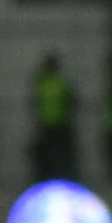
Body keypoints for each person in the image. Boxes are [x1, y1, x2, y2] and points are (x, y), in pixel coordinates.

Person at [26, 52, 77, 182]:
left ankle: (57, 174)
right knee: (48, 152)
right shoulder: (50, 83)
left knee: (57, 152)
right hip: (51, 122)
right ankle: (48, 174)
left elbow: (70, 101)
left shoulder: (50, 83)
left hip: (56, 122)